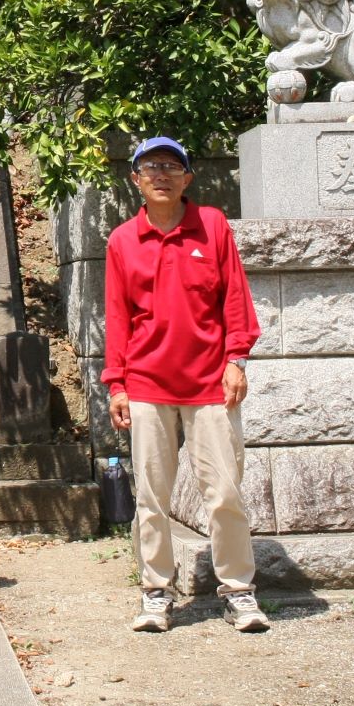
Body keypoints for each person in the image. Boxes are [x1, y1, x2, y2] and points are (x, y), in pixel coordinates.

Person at [103, 136, 270, 634]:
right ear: (136, 179)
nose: (161, 174)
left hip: (210, 385)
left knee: (224, 493)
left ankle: (239, 591)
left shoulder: (213, 226)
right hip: (148, 383)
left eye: (172, 166)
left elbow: (235, 298)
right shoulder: (122, 241)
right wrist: (116, 384)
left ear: (187, 179)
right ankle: (156, 591)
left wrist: (237, 358)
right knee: (152, 497)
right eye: (150, 166)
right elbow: (117, 318)